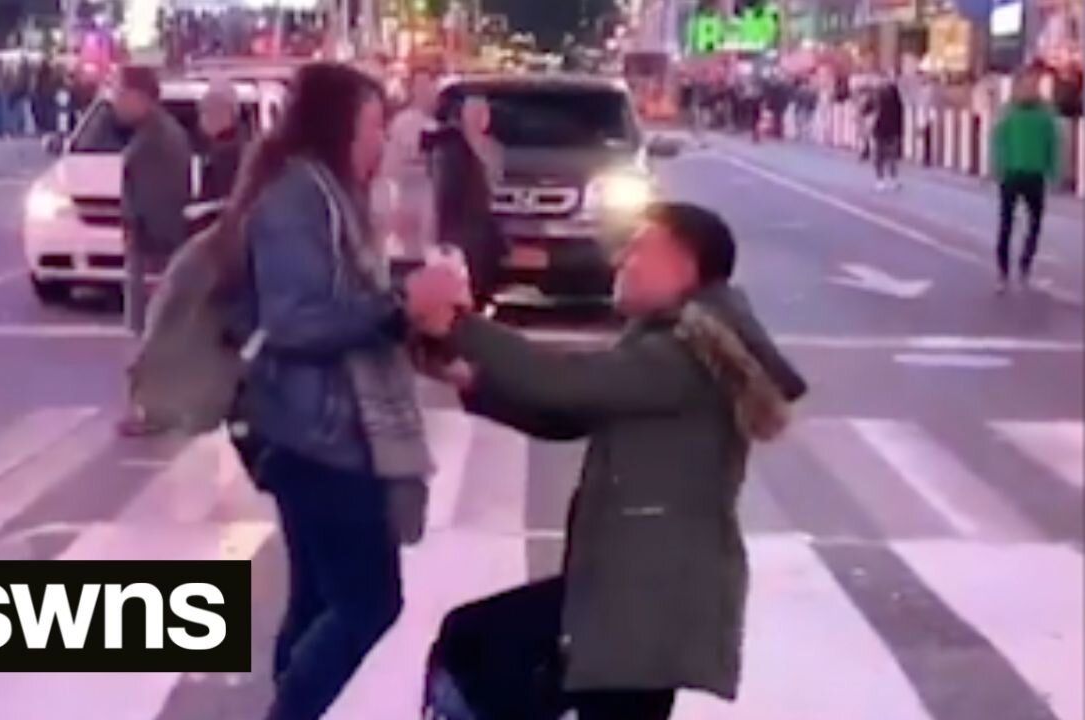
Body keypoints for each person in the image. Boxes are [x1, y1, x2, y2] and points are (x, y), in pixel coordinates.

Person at [406, 203, 807, 720]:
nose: (623, 259)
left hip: (646, 600)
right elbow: (567, 414)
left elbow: (567, 384)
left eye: (641, 246)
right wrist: (474, 380)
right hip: (631, 592)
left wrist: (460, 325)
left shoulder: (687, 355)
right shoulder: (670, 343)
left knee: (480, 647)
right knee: (479, 646)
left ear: (683, 265)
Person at [224, 63, 428, 720]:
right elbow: (294, 320)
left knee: (316, 601)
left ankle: (290, 705)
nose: (382, 141)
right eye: (374, 126)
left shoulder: (327, 192)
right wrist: (398, 310)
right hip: (319, 433)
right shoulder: (297, 197)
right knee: (371, 601)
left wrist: (405, 295)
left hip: (316, 426)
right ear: (340, 127)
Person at [115, 64, 193, 435]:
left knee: (151, 333)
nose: (116, 102)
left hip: (153, 250)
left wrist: (156, 261)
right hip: (149, 248)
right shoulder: (153, 134)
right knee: (151, 331)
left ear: (141, 97)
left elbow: (160, 203)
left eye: (121, 93)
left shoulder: (158, 141)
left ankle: (152, 410)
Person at [429, 94, 505, 302]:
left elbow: (496, 181)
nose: (479, 118)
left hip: (485, 219)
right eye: (473, 113)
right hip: (456, 218)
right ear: (463, 116)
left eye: (483, 113)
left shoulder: (495, 149)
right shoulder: (449, 146)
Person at [992, 71, 1060, 293]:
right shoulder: (1008, 112)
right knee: (1006, 225)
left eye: (1033, 85)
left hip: (1035, 175)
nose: (1029, 89)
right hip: (1011, 175)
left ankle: (1025, 263)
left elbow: (1053, 144)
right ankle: (1003, 271)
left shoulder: (1045, 114)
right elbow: (998, 141)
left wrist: (1053, 172)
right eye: (1025, 85)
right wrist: (997, 168)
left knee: (1035, 223)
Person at [381, 68, 439, 260]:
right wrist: (395, 207)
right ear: (412, 89)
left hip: (431, 194)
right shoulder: (402, 122)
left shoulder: (437, 123)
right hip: (408, 194)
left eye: (428, 85)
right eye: (419, 85)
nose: (425, 90)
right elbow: (391, 166)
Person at [196, 82, 245, 202]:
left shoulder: (227, 154)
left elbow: (219, 202)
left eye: (206, 109)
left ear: (225, 112)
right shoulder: (240, 144)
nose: (202, 118)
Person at [872, 76, 905, 191]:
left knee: (881, 156)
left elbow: (869, 108)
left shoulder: (878, 96)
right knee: (890, 156)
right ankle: (891, 179)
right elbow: (900, 117)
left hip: (882, 129)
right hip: (890, 130)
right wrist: (900, 132)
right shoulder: (896, 100)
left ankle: (881, 180)